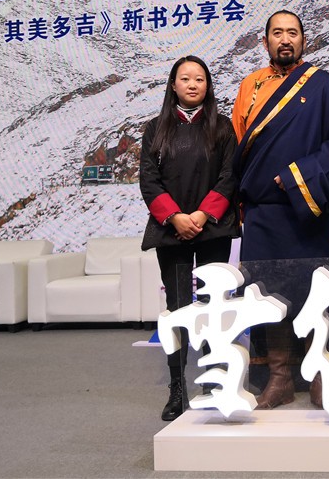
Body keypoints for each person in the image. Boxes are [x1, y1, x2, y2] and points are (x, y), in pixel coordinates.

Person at [232, 9, 329, 409]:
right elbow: (237, 148)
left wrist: (298, 175)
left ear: (304, 39)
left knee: (315, 293)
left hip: (307, 207)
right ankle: (280, 378)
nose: (285, 39)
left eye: (293, 33)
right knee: (268, 295)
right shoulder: (250, 86)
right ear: (265, 41)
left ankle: (318, 374)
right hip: (262, 212)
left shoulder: (324, 86)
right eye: (277, 33)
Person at [140, 55, 239, 421]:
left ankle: (213, 380)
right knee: (179, 309)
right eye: (185, 78)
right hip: (172, 232)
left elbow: (229, 176)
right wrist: (176, 217)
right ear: (173, 85)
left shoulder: (223, 127)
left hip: (213, 229)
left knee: (213, 306)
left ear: (207, 85)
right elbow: (148, 179)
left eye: (200, 78)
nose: (193, 84)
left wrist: (201, 214)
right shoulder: (155, 129)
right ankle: (177, 387)